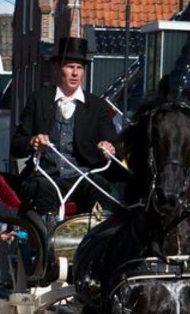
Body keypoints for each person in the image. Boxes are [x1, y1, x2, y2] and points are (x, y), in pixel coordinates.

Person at [11, 36, 119, 215]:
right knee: (42, 191)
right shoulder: (39, 100)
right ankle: (49, 232)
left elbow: (114, 144)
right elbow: (16, 145)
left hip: (83, 177)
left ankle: (97, 230)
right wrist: (33, 142)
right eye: (70, 67)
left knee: (100, 189)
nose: (75, 73)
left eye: (79, 68)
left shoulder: (96, 106)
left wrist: (109, 149)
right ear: (58, 68)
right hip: (45, 176)